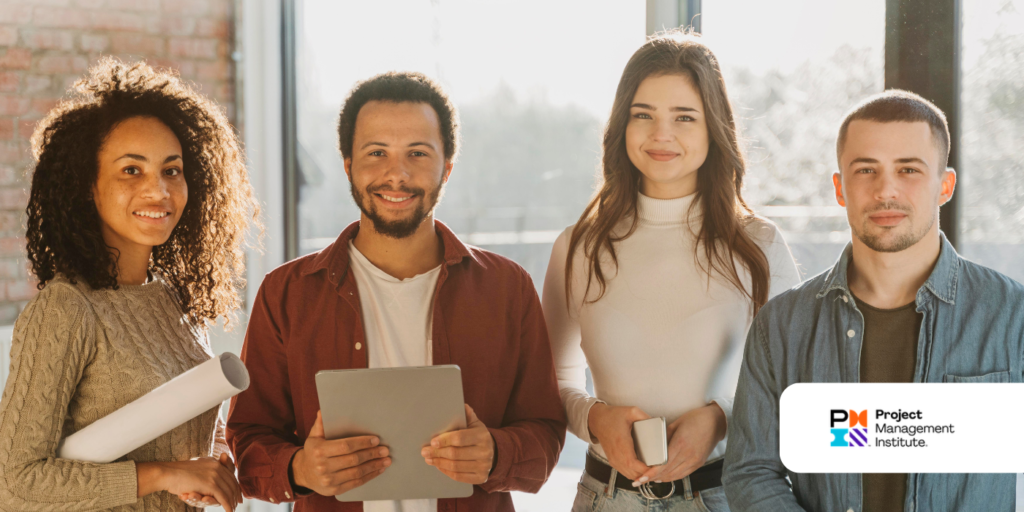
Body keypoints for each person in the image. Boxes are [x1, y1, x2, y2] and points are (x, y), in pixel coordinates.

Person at [226, 71, 566, 512]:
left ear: (447, 166)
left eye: (418, 153)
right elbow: (248, 439)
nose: (397, 174)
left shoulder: (507, 288)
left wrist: (496, 455)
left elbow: (545, 431)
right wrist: (299, 469)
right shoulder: (286, 293)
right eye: (376, 152)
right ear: (348, 164)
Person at [722, 90, 1024, 511]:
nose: (886, 190)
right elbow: (750, 472)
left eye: (909, 170)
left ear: (945, 185)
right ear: (840, 187)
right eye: (866, 170)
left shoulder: (1014, 316)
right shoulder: (782, 325)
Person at [543, 31, 801, 512]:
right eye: (643, 115)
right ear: (622, 125)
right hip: (604, 499)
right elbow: (550, 382)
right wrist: (597, 419)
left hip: (723, 495)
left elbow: (796, 382)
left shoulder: (758, 246)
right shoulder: (578, 247)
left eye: (684, 117)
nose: (661, 135)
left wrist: (722, 418)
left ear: (714, 128)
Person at [0, 58, 260, 511]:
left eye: (172, 170)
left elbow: (182, 435)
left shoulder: (172, 299)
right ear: (88, 186)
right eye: (131, 170)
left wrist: (214, 453)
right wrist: (166, 474)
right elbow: (15, 483)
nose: (158, 190)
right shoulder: (67, 308)